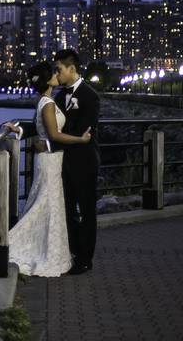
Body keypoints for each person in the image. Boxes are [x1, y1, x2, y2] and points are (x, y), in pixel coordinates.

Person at [5, 62, 91, 277]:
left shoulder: (47, 100)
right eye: (53, 72)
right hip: (50, 159)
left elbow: (40, 128)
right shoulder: (49, 103)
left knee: (47, 203)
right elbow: (53, 134)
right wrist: (80, 140)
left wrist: (20, 129)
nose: (56, 74)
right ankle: (32, 249)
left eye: (57, 70)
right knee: (48, 203)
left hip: (49, 158)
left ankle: (49, 249)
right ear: (47, 79)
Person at [53, 48, 101, 275]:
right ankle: (73, 251)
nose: (57, 74)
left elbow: (84, 130)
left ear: (71, 68)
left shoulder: (91, 96)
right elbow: (50, 124)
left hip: (84, 162)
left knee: (88, 211)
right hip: (64, 163)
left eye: (59, 69)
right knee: (68, 210)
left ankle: (85, 259)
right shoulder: (59, 96)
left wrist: (57, 135)